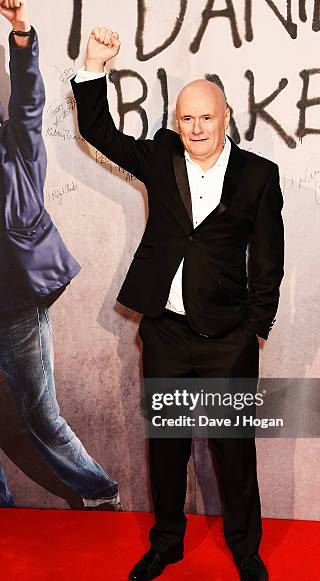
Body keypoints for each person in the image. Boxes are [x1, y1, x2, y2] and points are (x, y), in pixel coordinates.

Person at [71, 26, 284, 581]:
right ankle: (166, 544)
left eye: (206, 118)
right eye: (186, 119)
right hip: (165, 334)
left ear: (226, 118)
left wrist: (254, 331)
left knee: (233, 455)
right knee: (166, 452)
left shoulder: (259, 175)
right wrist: (94, 65)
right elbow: (97, 130)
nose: (195, 129)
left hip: (226, 341)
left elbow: (268, 261)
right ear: (177, 122)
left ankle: (245, 550)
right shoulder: (162, 156)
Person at [0, 1, 121, 511]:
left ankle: (98, 492)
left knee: (40, 412)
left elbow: (29, 98)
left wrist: (21, 33)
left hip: (17, 305)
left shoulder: (18, 148)